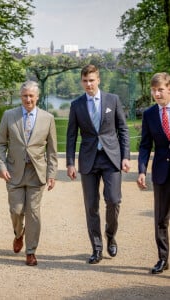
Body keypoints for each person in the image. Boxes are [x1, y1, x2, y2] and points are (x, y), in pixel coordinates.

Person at [66, 64, 130, 264]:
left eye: (92, 80)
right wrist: (70, 162)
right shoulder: (76, 105)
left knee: (113, 200)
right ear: (81, 82)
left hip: (111, 158)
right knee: (91, 206)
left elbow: (123, 129)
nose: (88, 84)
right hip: (88, 159)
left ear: (99, 80)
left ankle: (110, 235)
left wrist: (126, 156)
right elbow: (70, 136)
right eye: (85, 81)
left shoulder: (113, 100)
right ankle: (97, 248)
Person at [0, 80, 58, 266]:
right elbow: (0, 144)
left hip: (36, 172)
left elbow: (52, 151)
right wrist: (1, 166)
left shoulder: (48, 118)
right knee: (16, 210)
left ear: (37, 97)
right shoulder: (9, 116)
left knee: (34, 213)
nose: (28, 99)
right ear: (20, 97)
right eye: (25, 96)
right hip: (13, 171)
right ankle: (18, 233)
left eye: (31, 96)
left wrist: (52, 174)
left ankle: (31, 251)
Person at [137, 72, 170, 274]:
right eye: (154, 90)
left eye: (161, 89)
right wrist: (141, 170)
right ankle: (163, 259)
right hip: (161, 172)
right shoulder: (149, 114)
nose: (157, 94)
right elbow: (145, 145)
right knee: (160, 219)